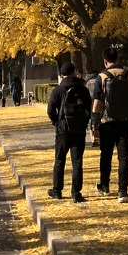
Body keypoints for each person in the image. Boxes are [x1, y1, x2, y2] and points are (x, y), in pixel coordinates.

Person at [91, 48, 128, 203]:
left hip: (107, 123)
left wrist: (94, 123)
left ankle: (104, 185)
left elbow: (97, 103)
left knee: (105, 155)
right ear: (118, 58)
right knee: (124, 157)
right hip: (126, 122)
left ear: (105, 61)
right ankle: (123, 191)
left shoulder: (102, 76)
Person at [46, 62, 92, 202]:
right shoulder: (82, 88)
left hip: (63, 129)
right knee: (77, 160)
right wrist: (84, 123)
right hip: (78, 129)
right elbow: (89, 108)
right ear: (74, 72)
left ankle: (57, 190)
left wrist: (57, 122)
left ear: (61, 75)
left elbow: (50, 110)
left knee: (60, 160)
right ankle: (76, 193)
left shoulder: (58, 90)